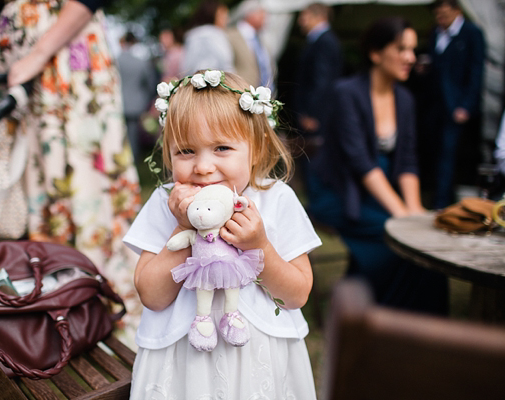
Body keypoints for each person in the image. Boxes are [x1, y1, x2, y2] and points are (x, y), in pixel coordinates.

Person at [0, 0, 142, 347]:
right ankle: (61, 300)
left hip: (64, 66)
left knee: (83, 180)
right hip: (24, 78)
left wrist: (40, 54)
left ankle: (106, 302)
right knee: (40, 188)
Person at [123, 70, 321, 399]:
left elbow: (297, 295)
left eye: (222, 148)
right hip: (183, 364)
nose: (202, 166)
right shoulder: (166, 202)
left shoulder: (274, 199)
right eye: (185, 151)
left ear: (255, 149)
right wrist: (185, 226)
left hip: (258, 362)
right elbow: (152, 295)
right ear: (168, 153)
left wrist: (260, 247)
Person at [307, 17, 449, 315]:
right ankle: (379, 316)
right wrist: (401, 216)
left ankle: (426, 324)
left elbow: (408, 159)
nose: (411, 57)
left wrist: (414, 210)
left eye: (412, 49)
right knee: (397, 239)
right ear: (375, 53)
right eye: (401, 49)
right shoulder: (346, 93)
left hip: (378, 190)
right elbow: (360, 162)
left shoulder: (405, 99)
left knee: (427, 243)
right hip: (339, 191)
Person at [420, 0, 486, 209]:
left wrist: (466, 105)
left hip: (455, 107)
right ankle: (436, 196)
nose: (441, 18)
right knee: (433, 151)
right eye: (438, 14)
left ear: (457, 10)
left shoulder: (471, 32)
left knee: (448, 155)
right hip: (434, 105)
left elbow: (476, 72)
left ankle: (441, 203)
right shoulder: (436, 32)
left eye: (445, 14)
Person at [294, 2, 342, 141]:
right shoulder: (322, 40)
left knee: (314, 156)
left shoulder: (324, 42)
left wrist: (311, 114)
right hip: (316, 114)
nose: (300, 22)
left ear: (319, 17)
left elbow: (321, 81)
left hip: (316, 117)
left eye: (304, 16)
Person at [118, 31, 157, 163]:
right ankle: (133, 161)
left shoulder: (115, 62)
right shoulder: (141, 62)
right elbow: (150, 84)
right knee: (133, 135)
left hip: (118, 103)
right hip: (136, 104)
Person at [226, 0, 275, 91]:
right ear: (250, 14)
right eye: (262, 13)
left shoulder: (261, 40)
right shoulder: (229, 35)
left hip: (264, 98)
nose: (266, 18)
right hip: (240, 94)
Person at [180, 1, 234, 76]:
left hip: (195, 83)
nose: (227, 20)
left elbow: (186, 66)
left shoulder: (192, 36)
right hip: (219, 83)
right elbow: (226, 63)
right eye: (223, 16)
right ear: (212, 15)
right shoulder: (218, 35)